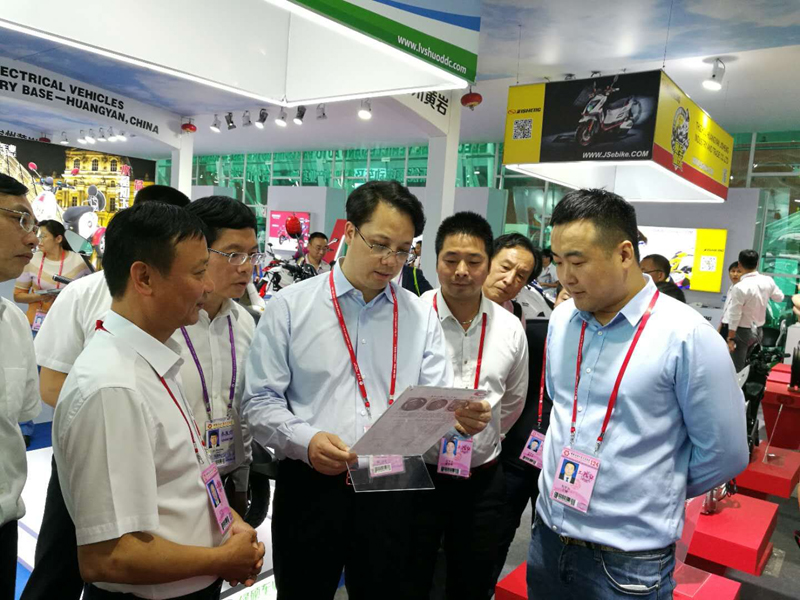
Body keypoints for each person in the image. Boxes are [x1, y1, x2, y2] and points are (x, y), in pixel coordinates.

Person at [242, 180, 491, 600]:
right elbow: (260, 400)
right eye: (379, 244)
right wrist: (306, 441)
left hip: (391, 485)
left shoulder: (419, 315)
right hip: (311, 483)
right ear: (351, 232)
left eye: (403, 250)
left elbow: (433, 399)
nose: (390, 261)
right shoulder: (291, 306)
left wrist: (457, 418)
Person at [529, 188, 748, 599]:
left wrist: (651, 488)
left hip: (628, 562)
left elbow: (727, 453)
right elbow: (563, 406)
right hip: (548, 537)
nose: (565, 277)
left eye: (577, 261)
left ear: (624, 254)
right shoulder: (562, 319)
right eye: (557, 261)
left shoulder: (688, 336)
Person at [52, 202, 265, 598]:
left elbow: (180, 478)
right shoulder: (113, 387)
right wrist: (220, 559)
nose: (207, 286)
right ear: (144, 277)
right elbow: (107, 557)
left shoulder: (152, 359)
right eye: (198, 272)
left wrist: (227, 522)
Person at [21, 185, 192, 600]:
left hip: (165, 459)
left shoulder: (190, 302)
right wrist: (114, 421)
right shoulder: (83, 293)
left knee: (145, 566)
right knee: (62, 564)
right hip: (92, 453)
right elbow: (52, 385)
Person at [411, 211, 529, 600]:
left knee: (473, 576)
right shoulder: (411, 318)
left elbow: (513, 401)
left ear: (488, 263)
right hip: (419, 475)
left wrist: (486, 430)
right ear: (436, 261)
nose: (461, 271)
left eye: (474, 261)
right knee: (412, 573)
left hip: (482, 477)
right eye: (451, 259)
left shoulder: (510, 328)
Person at [170, 196, 261, 517]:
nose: (246, 266)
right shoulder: (163, 324)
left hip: (227, 482)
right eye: (233, 254)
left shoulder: (245, 322)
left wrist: (241, 482)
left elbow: (243, 414)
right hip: (172, 489)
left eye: (252, 254)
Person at [490, 281, 570, 597]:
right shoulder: (531, 333)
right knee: (497, 533)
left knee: (553, 540)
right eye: (565, 296)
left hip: (565, 466)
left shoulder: (599, 345)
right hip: (516, 453)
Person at [0, 173, 42, 600]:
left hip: (3, 524)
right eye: (20, 220)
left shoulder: (12, 322)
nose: (33, 238)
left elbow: (22, 415)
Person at [14, 219, 93, 330]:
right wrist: (39, 297)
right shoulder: (31, 260)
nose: (38, 240)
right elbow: (18, 296)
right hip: (36, 325)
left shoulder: (79, 261)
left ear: (58, 239)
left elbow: (93, 290)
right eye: (38, 235)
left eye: (43, 236)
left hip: (68, 326)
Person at [726, 249, 785, 372]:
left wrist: (730, 338)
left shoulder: (739, 287)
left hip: (742, 332)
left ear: (739, 264)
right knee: (753, 365)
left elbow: (735, 314)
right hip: (758, 331)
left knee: (737, 367)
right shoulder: (767, 280)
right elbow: (780, 298)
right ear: (757, 263)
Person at [483, 233, 542, 324]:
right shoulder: (459, 302)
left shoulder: (516, 315)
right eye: (505, 267)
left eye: (520, 276)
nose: (509, 280)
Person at [719, 261, 742, 337]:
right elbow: (726, 310)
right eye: (733, 271)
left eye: (739, 271)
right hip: (725, 325)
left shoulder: (742, 289)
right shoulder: (731, 287)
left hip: (735, 328)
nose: (735, 274)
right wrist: (720, 326)